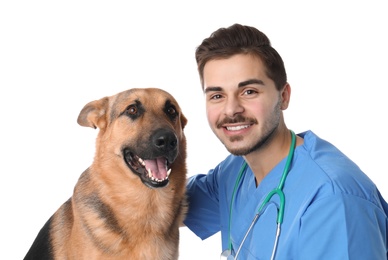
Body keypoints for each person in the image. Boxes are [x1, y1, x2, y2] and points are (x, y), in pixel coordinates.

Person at [183, 23, 388, 259]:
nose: (231, 110)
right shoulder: (235, 172)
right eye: (217, 96)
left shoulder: (333, 200)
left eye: (249, 91)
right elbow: (158, 208)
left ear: (284, 97)